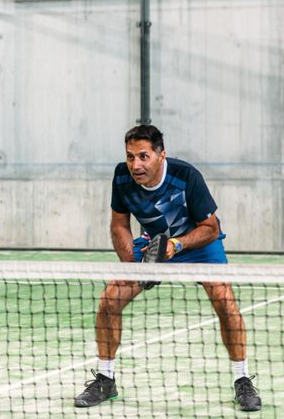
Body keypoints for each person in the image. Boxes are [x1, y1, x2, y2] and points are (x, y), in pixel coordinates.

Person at [73, 124, 262, 412]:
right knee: (109, 301)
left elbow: (211, 228)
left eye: (143, 156)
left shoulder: (186, 176)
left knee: (225, 303)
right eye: (130, 156)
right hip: (154, 246)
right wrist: (134, 268)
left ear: (161, 155)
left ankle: (242, 380)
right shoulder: (122, 177)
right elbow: (119, 225)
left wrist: (177, 245)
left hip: (197, 245)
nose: (136, 165)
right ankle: (105, 379)